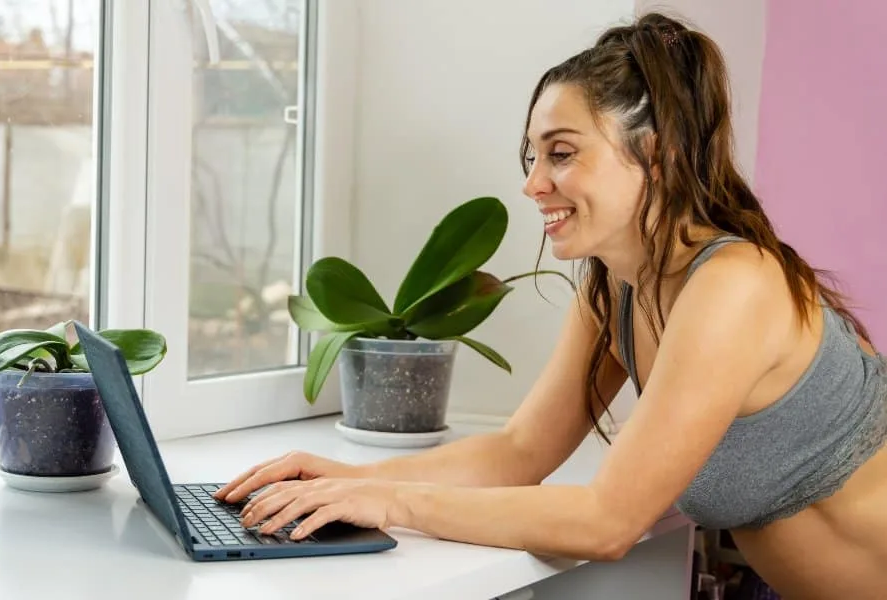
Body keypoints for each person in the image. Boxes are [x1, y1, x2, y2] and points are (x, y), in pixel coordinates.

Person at [215, 12, 887, 598]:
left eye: (560, 154)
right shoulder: (614, 290)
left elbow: (607, 522)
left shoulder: (733, 283)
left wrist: (388, 499)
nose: (532, 184)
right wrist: (351, 477)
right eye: (531, 156)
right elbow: (519, 451)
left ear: (657, 155)